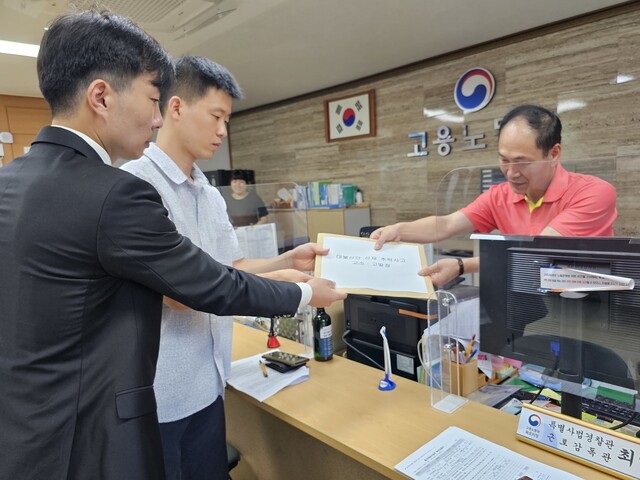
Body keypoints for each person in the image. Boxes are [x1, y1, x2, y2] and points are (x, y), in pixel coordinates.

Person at [0, 11, 345, 480]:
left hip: (35, 425)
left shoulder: (11, 181)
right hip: (101, 425)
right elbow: (201, 285)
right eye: (152, 98)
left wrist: (283, 263)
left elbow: (223, 267)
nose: (157, 116)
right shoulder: (117, 190)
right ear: (101, 96)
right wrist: (302, 293)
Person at [121, 55, 323, 480]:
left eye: (227, 119)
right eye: (216, 116)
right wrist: (293, 290)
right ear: (175, 107)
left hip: (210, 381)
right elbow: (182, 293)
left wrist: (286, 261)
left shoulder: (209, 193)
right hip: (162, 394)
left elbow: (231, 267)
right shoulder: (138, 185)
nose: (222, 131)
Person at [372, 104, 617, 286]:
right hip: (529, 295)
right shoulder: (499, 196)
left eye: (522, 162)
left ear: (553, 153)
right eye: (503, 160)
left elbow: (537, 253)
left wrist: (462, 266)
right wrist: (399, 230)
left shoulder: (594, 193)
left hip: (590, 305)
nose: (511, 173)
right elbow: (446, 223)